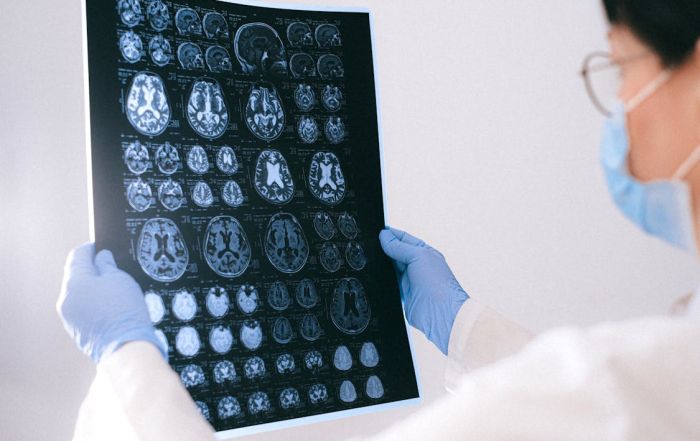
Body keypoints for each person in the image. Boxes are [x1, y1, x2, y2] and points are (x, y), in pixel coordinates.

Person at [58, 1, 700, 440]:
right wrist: (466, 326)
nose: (618, 104)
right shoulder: (656, 379)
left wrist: (128, 357)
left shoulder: (634, 386)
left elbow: (598, 399)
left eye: (621, 66)